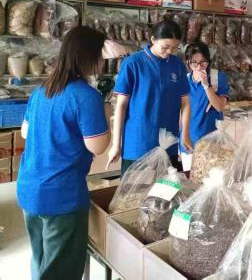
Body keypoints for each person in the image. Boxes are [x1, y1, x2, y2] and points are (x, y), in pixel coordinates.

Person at [17, 26, 111, 280]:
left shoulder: (42, 90)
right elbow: (97, 146)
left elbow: (25, 132)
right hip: (61, 195)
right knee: (61, 270)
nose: (102, 61)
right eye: (100, 55)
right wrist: (105, 113)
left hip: (29, 188)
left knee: (41, 260)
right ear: (88, 56)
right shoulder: (87, 96)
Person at [108, 20, 191, 175]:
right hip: (138, 144)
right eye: (165, 47)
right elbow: (121, 106)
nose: (169, 51)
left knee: (168, 188)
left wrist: (185, 134)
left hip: (168, 142)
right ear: (153, 39)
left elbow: (185, 103)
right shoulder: (133, 63)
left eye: (174, 48)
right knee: (135, 189)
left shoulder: (177, 65)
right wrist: (116, 144)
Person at [180, 42, 229, 171]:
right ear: (187, 62)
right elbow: (180, 111)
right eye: (194, 63)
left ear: (209, 60)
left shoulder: (217, 77)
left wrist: (206, 85)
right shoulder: (184, 80)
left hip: (212, 141)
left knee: (211, 178)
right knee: (190, 178)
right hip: (189, 139)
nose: (199, 66)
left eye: (203, 62)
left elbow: (219, 107)